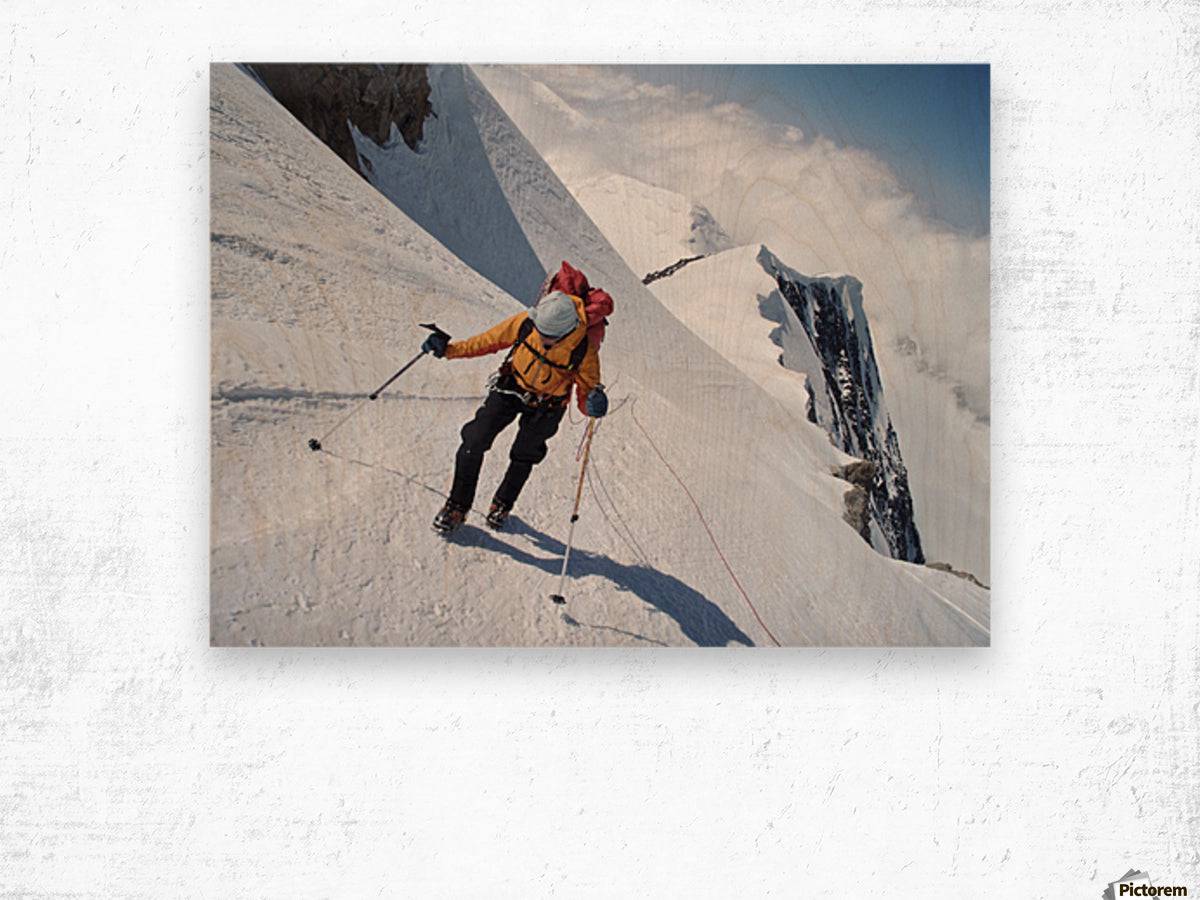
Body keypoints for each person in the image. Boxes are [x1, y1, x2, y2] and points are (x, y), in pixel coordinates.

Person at [422, 290, 609, 534]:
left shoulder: (584, 350)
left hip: (548, 405)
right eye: (539, 331)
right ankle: (457, 505)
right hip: (511, 387)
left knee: (524, 455)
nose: (541, 338)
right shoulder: (527, 323)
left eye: (548, 336)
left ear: (565, 332)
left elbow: (587, 393)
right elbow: (488, 341)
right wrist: (449, 350)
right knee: (474, 439)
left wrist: (593, 405)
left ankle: (502, 504)